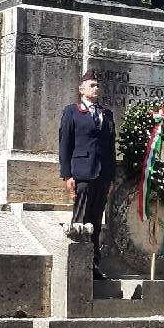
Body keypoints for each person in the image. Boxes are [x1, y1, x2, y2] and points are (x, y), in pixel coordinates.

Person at [59, 70, 116, 280]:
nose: (96, 88)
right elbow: (65, 144)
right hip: (82, 173)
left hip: (102, 175)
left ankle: (93, 264)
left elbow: (110, 148)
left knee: (96, 222)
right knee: (81, 220)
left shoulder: (106, 114)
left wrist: (111, 177)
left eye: (97, 85)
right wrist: (67, 175)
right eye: (92, 85)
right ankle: (77, 263)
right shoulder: (72, 112)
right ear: (81, 89)